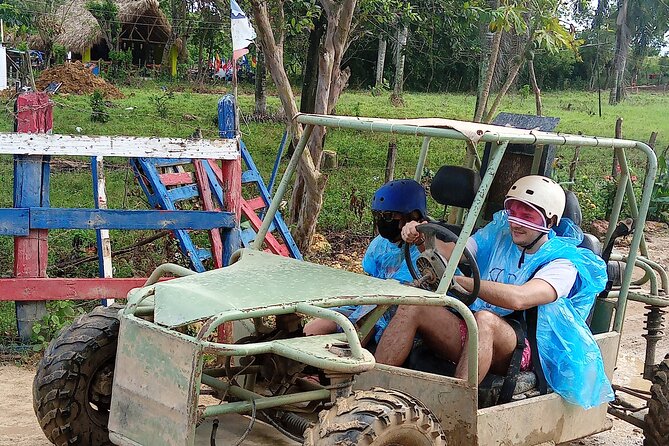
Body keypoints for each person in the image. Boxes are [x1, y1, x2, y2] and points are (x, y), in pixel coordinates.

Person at [374, 175, 614, 409]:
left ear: (550, 221)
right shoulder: (499, 234)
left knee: (485, 320)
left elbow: (519, 298)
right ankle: (372, 392)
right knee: (414, 304)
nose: (516, 222)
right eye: (513, 212)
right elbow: (456, 251)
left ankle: (452, 410)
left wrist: (460, 281)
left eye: (527, 215)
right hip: (472, 327)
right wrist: (421, 237)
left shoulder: (563, 263)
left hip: (524, 346)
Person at [303, 179, 425, 343]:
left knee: (355, 337)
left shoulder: (421, 251)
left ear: (412, 215)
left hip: (391, 311)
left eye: (388, 216)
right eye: (378, 215)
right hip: (368, 305)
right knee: (310, 330)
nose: (381, 221)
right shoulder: (380, 244)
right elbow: (369, 283)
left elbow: (390, 297)